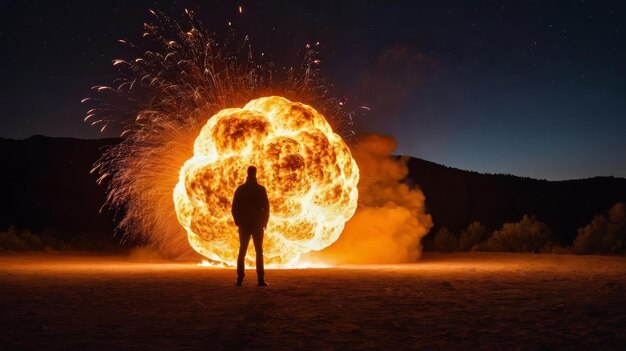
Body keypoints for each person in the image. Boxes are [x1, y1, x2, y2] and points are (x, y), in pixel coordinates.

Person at [231, 166, 270, 287]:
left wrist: (238, 221)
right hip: (257, 224)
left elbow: (234, 208)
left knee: (242, 250)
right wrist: (264, 222)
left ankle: (240, 279)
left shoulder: (241, 189)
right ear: (255, 173)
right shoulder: (261, 189)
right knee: (259, 251)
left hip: (244, 224)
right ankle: (260, 279)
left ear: (247, 173)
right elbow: (266, 208)